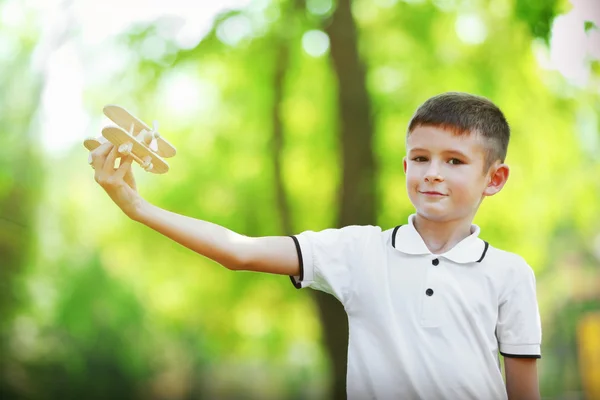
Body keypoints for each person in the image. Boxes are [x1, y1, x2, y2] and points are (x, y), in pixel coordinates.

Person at [88, 92, 542, 400]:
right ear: (405, 164)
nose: (432, 172)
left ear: (494, 178)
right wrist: (136, 206)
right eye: (421, 158)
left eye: (455, 161)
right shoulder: (358, 252)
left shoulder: (510, 273)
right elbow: (238, 250)